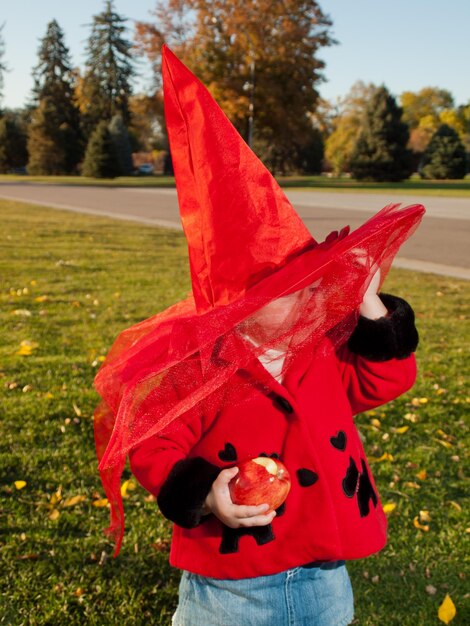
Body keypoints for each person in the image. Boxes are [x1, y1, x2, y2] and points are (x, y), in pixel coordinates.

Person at [93, 47, 425, 626]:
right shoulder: (204, 369)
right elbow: (154, 443)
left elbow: (387, 378)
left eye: (308, 284)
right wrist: (209, 493)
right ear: (234, 309)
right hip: (233, 583)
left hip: (326, 567)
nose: (305, 298)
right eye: (285, 291)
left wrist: (368, 300)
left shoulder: (319, 349)